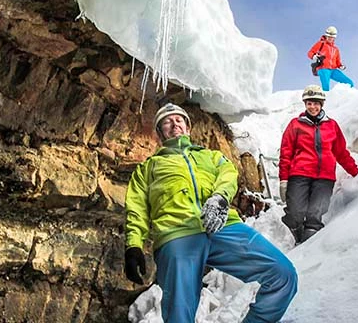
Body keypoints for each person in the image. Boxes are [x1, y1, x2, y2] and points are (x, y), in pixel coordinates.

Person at [124, 103, 298, 323]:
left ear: (187, 128)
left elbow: (227, 175)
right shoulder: (148, 168)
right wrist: (133, 245)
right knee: (179, 314)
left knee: (283, 274)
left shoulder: (212, 157)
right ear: (160, 133)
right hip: (177, 234)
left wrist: (219, 199)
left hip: (223, 226)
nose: (174, 124)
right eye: (167, 121)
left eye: (179, 120)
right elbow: (136, 208)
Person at [278, 86, 358, 244]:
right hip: (299, 175)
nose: (312, 107)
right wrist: (283, 179)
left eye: (316, 103)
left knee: (315, 214)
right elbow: (286, 153)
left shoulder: (332, 125)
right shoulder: (295, 124)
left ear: (321, 104)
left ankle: (306, 248)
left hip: (325, 177)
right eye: (309, 103)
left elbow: (341, 153)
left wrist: (356, 173)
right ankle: (299, 237)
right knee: (295, 212)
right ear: (305, 104)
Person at [307, 26, 355, 91]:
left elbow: (338, 62)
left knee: (349, 83)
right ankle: (325, 99)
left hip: (333, 70)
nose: (330, 38)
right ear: (326, 36)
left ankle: (344, 98)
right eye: (329, 36)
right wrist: (314, 56)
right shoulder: (320, 44)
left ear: (334, 38)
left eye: (332, 37)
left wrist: (341, 66)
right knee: (326, 88)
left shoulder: (336, 49)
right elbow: (310, 52)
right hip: (323, 68)